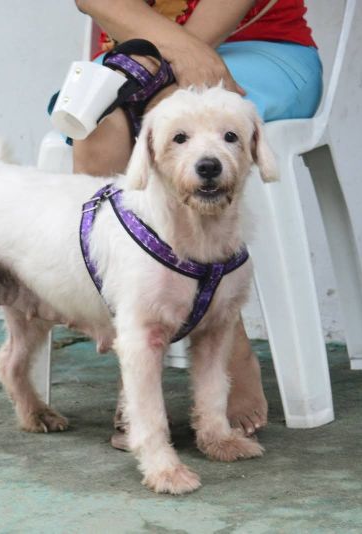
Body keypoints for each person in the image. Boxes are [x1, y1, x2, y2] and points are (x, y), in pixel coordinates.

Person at [68, 0, 323, 448]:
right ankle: (136, 348)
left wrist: (179, 60)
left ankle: (224, 326)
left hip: (260, 45)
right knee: (97, 125)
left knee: (175, 107)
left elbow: (201, 62)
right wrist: (164, 55)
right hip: (136, 49)